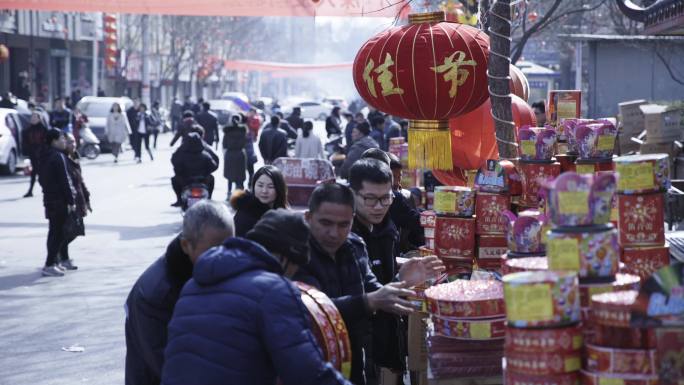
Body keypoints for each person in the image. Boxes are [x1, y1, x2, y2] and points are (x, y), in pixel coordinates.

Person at [161, 209, 352, 385]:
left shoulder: (192, 285)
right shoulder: (274, 291)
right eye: (295, 267)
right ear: (285, 259)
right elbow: (307, 372)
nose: (292, 275)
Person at [294, 183, 444, 385]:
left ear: (352, 220)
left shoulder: (354, 247)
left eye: (343, 225)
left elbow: (373, 291)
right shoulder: (296, 255)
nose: (334, 232)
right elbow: (314, 310)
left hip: (355, 356)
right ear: (308, 218)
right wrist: (369, 301)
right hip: (310, 361)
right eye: (326, 223)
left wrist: (401, 282)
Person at [126, 201, 234, 385]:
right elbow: (170, 366)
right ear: (186, 245)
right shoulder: (155, 295)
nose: (224, 257)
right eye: (213, 251)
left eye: (230, 247)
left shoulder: (217, 271)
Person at [38, 129, 76, 277]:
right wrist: (71, 200)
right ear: (54, 140)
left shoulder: (45, 155)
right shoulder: (57, 156)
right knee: (58, 233)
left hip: (49, 198)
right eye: (61, 138)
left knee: (54, 231)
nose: (64, 141)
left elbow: (42, 180)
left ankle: (53, 262)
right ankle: (49, 264)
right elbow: (65, 180)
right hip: (59, 200)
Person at [230, 165, 288, 237]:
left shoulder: (285, 215)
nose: (264, 191)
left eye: (270, 187)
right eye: (260, 185)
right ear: (253, 186)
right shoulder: (245, 215)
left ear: (279, 189)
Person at [170, 132, 219, 206]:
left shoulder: (181, 154)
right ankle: (209, 199)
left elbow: (175, 164)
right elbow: (214, 166)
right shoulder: (205, 155)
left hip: (186, 180)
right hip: (202, 180)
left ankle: (179, 200)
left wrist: (180, 173)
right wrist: (206, 173)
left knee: (174, 180)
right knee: (211, 178)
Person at [22, 111, 49, 198]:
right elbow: (25, 142)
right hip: (33, 154)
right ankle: (31, 191)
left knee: (42, 173)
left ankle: (47, 189)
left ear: (39, 119)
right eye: (32, 117)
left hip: (42, 154)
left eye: (35, 117)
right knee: (34, 172)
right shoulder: (27, 130)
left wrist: (42, 150)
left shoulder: (44, 129)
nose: (33, 119)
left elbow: (46, 142)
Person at [222, 115, 248, 196]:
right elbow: (245, 144)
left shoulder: (227, 132)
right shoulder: (243, 131)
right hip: (240, 154)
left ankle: (229, 191)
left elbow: (224, 145)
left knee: (230, 174)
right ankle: (239, 192)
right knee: (240, 175)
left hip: (230, 154)